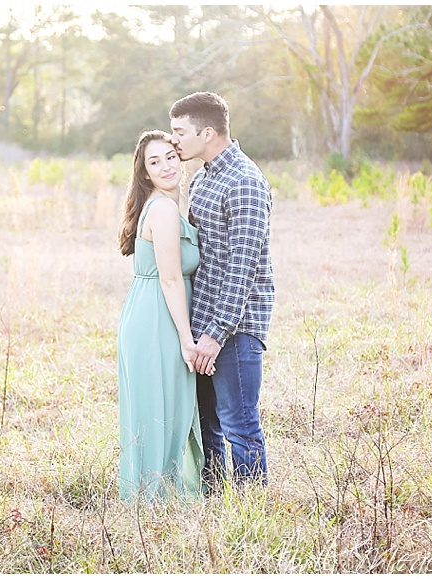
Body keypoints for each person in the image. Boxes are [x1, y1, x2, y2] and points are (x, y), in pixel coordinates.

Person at [169, 91, 274, 490]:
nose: (174, 140)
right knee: (206, 422)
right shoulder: (202, 177)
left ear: (207, 132)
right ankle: (213, 503)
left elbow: (241, 269)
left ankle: (248, 512)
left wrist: (215, 334)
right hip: (203, 323)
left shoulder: (245, 182)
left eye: (180, 132)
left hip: (236, 327)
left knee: (239, 424)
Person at [117, 130, 207, 501]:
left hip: (151, 313)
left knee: (161, 407)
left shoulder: (161, 205)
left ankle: (154, 495)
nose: (166, 166)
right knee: (160, 409)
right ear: (145, 173)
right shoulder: (165, 209)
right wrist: (188, 341)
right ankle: (154, 500)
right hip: (158, 320)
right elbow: (170, 278)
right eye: (154, 162)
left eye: (170, 156)